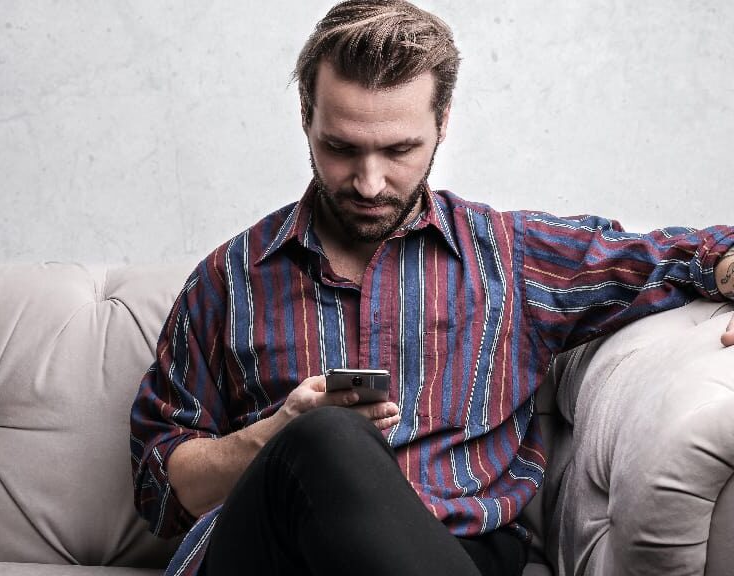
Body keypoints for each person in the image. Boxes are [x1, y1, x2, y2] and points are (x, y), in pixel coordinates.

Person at [130, 1, 734, 575]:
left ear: (442, 123)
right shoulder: (231, 277)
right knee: (325, 437)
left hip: (455, 553)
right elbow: (160, 483)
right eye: (340, 148)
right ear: (305, 119)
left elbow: (686, 255)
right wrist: (275, 436)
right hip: (275, 559)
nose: (369, 183)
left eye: (399, 150)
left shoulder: (509, 257)